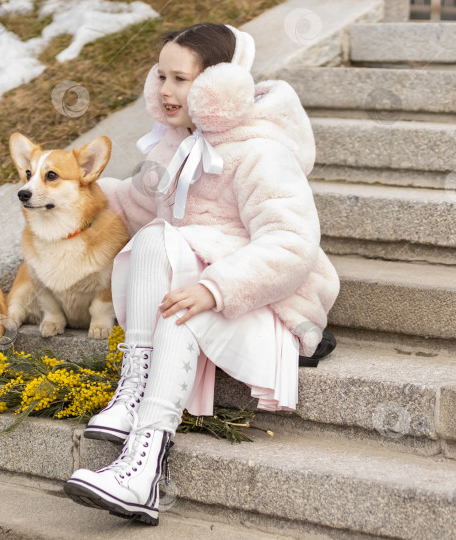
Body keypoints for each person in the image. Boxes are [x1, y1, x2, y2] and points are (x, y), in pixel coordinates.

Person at [62, 23, 340, 525]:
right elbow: (132, 204)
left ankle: (145, 460)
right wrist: (66, 195)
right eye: (161, 77)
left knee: (179, 295)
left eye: (181, 80)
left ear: (219, 87)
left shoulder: (262, 151)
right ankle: (134, 399)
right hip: (191, 296)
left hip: (262, 303)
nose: (165, 91)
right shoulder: (173, 148)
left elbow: (291, 244)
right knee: (153, 239)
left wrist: (215, 289)